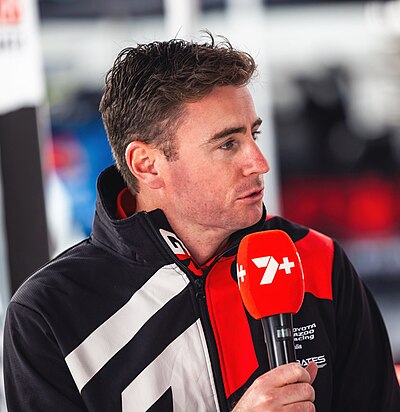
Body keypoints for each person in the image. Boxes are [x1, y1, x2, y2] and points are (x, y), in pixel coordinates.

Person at [3, 32, 400, 412]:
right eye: (228, 144)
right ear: (147, 165)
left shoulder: (316, 260)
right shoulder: (49, 312)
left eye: (254, 134)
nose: (259, 162)